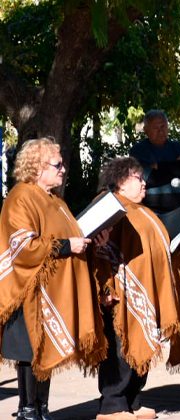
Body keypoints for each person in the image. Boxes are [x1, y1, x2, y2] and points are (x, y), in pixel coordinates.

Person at [0, 138, 106, 419]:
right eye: (57, 164)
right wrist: (66, 245)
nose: (63, 169)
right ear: (36, 167)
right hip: (27, 288)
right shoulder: (21, 196)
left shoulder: (56, 201)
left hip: (53, 287)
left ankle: (42, 408)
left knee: (44, 347)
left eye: (63, 164)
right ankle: (27, 408)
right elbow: (21, 245)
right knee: (29, 350)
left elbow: (70, 233)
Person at [91, 157, 180, 420]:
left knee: (141, 346)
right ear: (121, 181)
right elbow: (96, 249)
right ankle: (112, 405)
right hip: (121, 294)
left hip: (146, 292)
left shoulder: (142, 210)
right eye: (138, 178)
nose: (144, 183)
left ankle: (133, 400)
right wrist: (104, 289)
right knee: (120, 350)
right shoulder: (108, 205)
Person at [129, 110, 180, 213]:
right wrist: (176, 167)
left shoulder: (178, 147)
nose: (160, 131)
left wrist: (159, 167)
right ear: (146, 130)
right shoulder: (139, 151)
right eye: (155, 128)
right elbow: (149, 178)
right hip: (151, 210)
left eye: (163, 126)